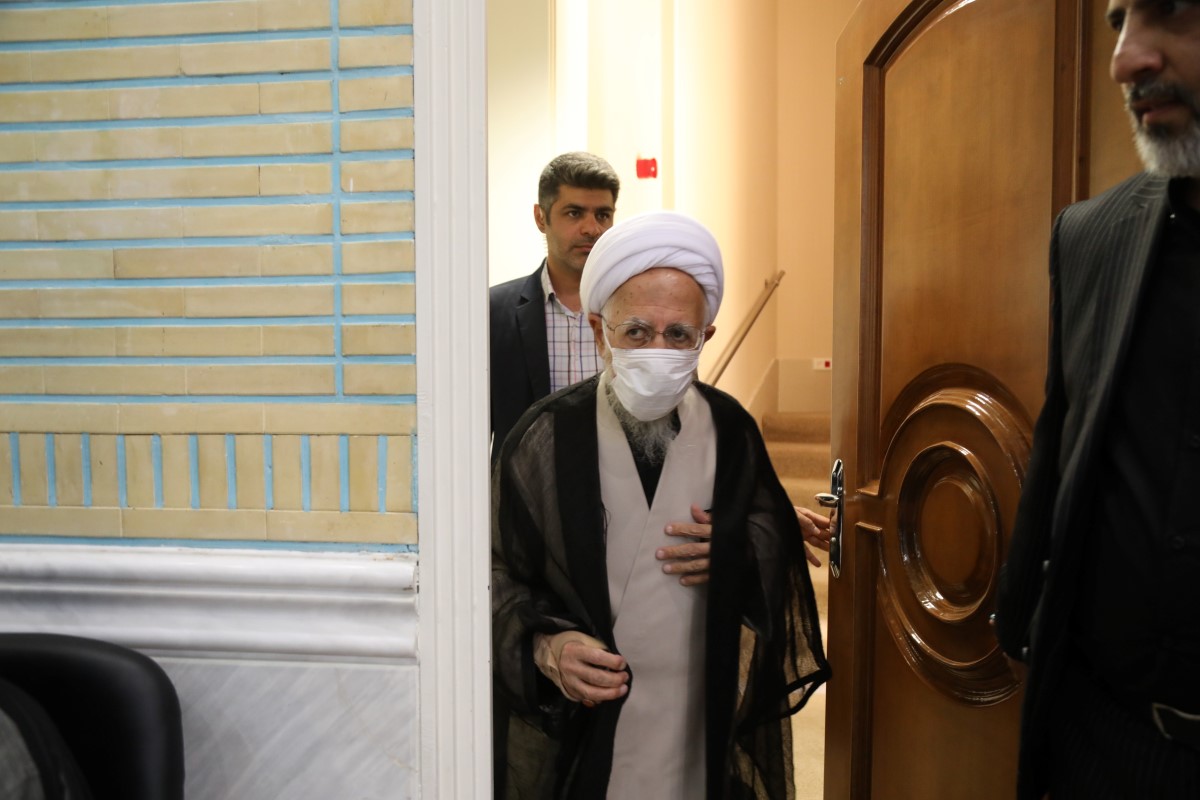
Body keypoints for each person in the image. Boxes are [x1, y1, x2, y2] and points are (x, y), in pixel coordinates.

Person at [491, 210, 830, 799]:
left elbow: (766, 533)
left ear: (706, 338)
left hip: (699, 712)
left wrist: (739, 549)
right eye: (637, 332)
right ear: (599, 331)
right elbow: (494, 571)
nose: (658, 350)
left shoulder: (731, 428)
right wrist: (547, 648)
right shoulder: (545, 436)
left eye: (678, 335)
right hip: (584, 730)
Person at [995, 3, 1200, 797]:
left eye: (1172, 10)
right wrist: (1021, 624)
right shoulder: (1089, 237)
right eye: (1118, 21)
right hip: (1100, 745)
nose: (1123, 60)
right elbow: (1063, 441)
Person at [489, 151, 621, 458]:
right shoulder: (493, 312)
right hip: (527, 485)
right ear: (541, 218)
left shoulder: (637, 312)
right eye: (574, 213)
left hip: (620, 484)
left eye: (603, 215)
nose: (592, 228)